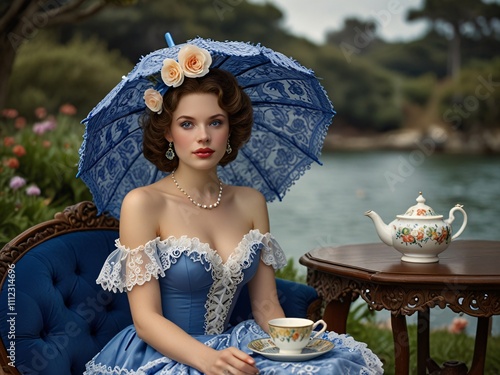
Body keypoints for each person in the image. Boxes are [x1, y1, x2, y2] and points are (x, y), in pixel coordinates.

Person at [84, 45, 383, 375]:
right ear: (167, 132)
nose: (203, 137)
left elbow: (265, 304)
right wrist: (208, 360)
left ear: (230, 130)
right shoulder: (143, 204)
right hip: (166, 354)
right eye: (187, 124)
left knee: (329, 366)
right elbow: (146, 320)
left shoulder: (251, 201)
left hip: (232, 343)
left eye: (215, 122)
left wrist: (295, 351)